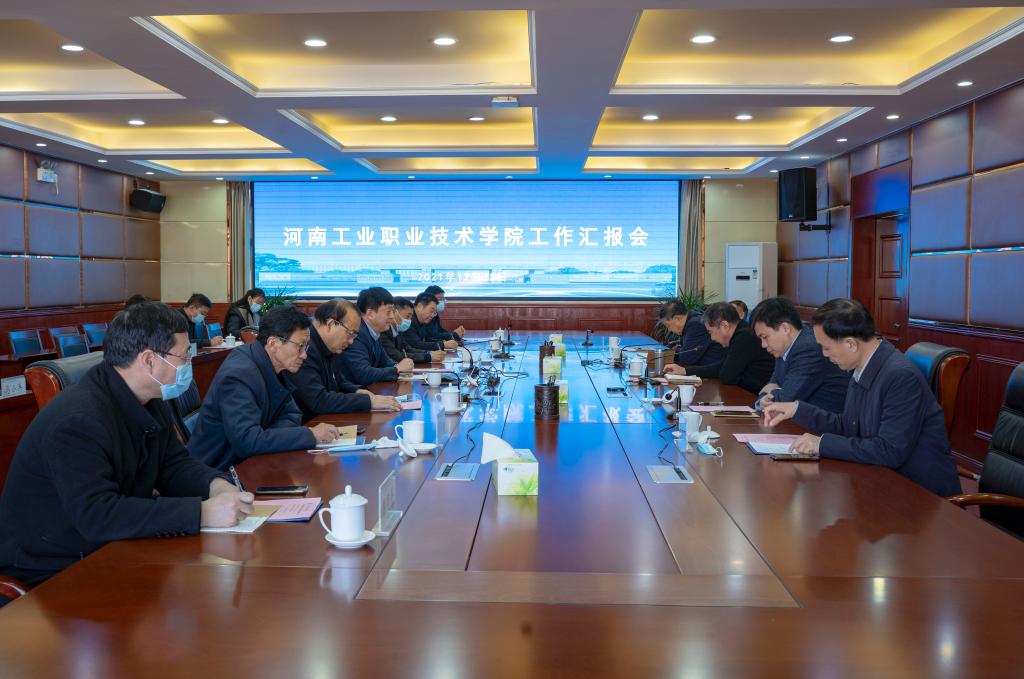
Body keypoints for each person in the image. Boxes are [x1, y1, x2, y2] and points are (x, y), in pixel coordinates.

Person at [0, 302, 252, 595]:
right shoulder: (78, 420)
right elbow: (98, 515)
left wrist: (216, 485)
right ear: (149, 360)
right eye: (184, 356)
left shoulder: (148, 399)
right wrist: (201, 513)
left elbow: (173, 465)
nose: (188, 364)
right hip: (52, 570)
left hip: (109, 547)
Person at [762, 298, 960, 496]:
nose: (824, 354)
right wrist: (797, 409)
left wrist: (821, 444)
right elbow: (848, 426)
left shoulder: (900, 376)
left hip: (919, 493)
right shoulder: (863, 366)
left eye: (827, 348)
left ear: (851, 344)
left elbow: (889, 450)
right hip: (881, 480)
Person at [188, 305, 338, 470]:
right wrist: (309, 435)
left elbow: (293, 414)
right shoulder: (239, 374)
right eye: (300, 346)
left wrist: (266, 436)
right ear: (273, 343)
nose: (304, 355)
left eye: (306, 347)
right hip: (218, 472)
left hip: (251, 462)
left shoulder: (275, 365)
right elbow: (247, 441)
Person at [286, 298, 401, 421]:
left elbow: (339, 382)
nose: (351, 341)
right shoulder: (304, 349)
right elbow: (319, 400)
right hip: (308, 424)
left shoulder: (331, 346)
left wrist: (357, 390)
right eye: (350, 333)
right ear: (331, 324)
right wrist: (367, 401)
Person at [750, 296, 848, 413]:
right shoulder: (783, 347)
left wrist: (770, 393)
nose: (763, 345)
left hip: (823, 421)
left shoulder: (808, 348)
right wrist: (767, 395)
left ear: (785, 328)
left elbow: (785, 400)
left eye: (765, 337)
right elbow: (773, 383)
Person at [664, 302, 775, 395]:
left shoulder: (744, 337)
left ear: (724, 326)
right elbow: (721, 366)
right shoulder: (739, 332)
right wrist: (684, 371)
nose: (712, 338)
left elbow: (727, 377)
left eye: (710, 332)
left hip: (756, 397)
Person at [338, 287, 415, 387]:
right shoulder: (356, 334)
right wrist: (397, 369)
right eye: (388, 312)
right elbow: (364, 374)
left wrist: (400, 366)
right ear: (370, 314)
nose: (392, 316)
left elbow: (385, 361)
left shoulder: (374, 331)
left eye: (392, 311)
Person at [658, 299, 725, 368]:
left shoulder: (695, 325)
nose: (669, 330)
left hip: (712, 370)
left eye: (668, 325)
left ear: (676, 318)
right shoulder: (691, 320)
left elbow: (686, 358)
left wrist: (673, 353)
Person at [381, 297, 446, 364]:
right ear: (395, 312)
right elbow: (396, 356)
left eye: (410, 317)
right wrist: (428, 356)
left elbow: (408, 349)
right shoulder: (383, 331)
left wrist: (429, 353)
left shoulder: (398, 329)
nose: (409, 320)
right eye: (407, 316)